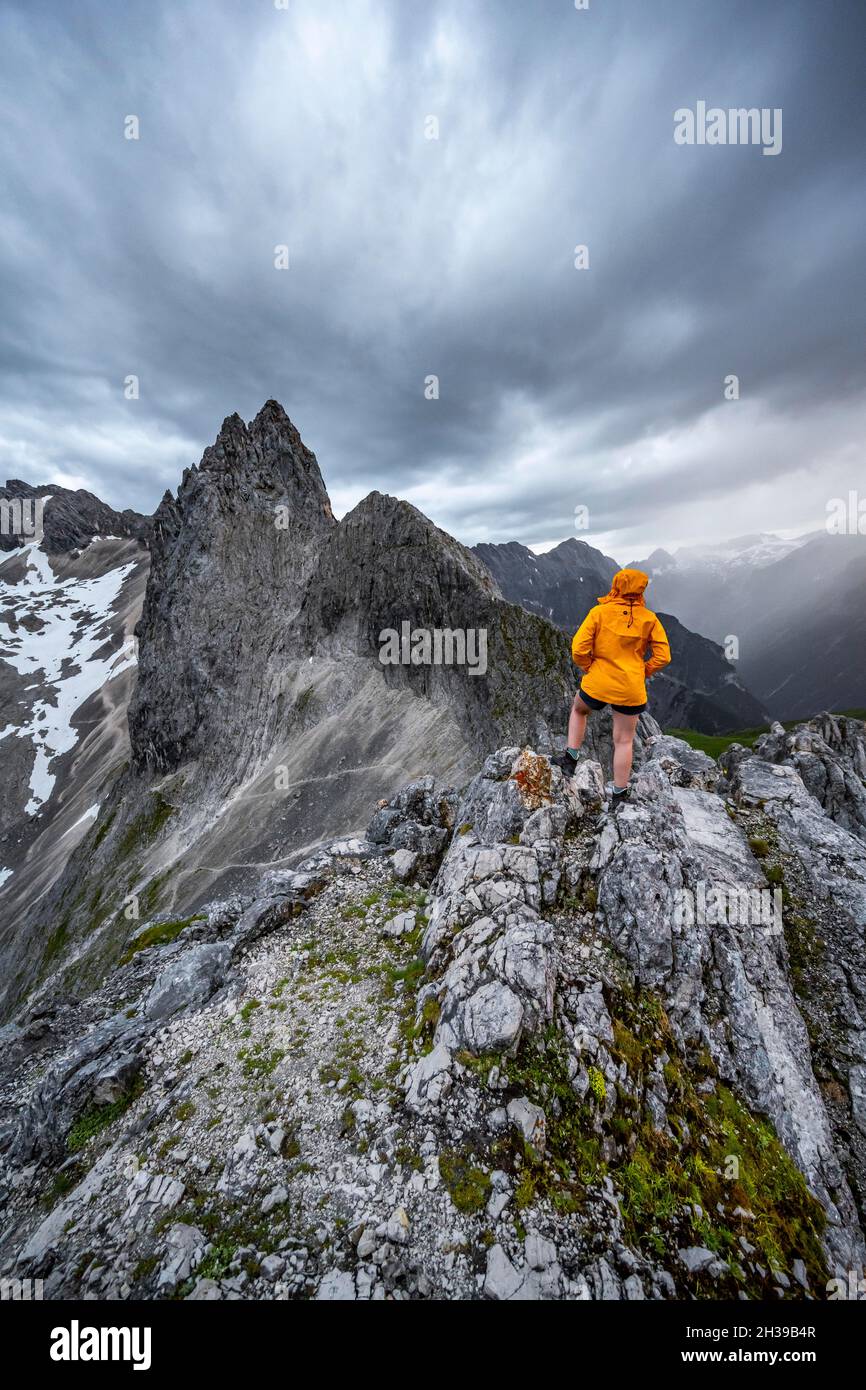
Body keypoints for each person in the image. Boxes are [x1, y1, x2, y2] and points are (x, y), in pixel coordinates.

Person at [559, 567, 671, 803]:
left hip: (599, 681)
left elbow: (578, 648)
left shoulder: (599, 612)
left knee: (579, 709)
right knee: (624, 740)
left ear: (617, 586)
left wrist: (589, 667)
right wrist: (643, 670)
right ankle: (619, 795)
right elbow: (663, 657)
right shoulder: (649, 619)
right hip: (631, 687)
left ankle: (570, 759)